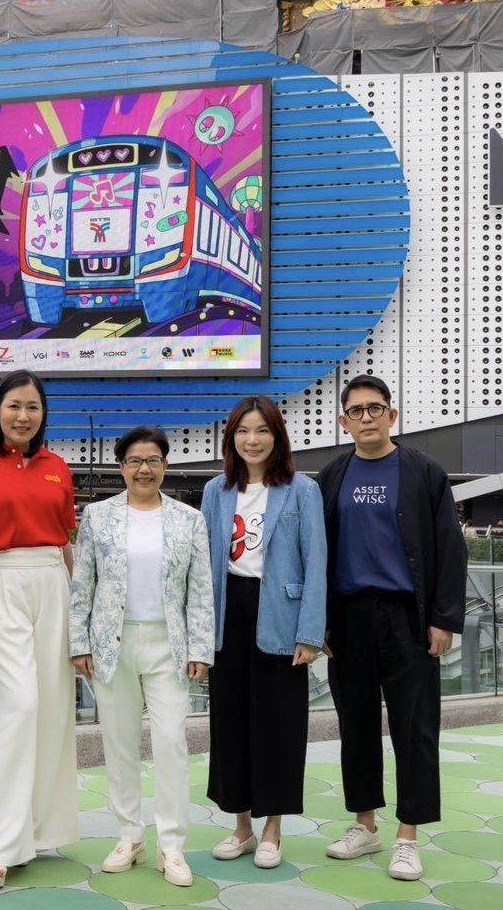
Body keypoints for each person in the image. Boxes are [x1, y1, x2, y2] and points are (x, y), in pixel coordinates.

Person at [315, 375, 466, 882]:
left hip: (408, 618)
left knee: (414, 728)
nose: (365, 418)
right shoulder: (331, 477)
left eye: (374, 409)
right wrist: (322, 622)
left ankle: (407, 835)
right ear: (343, 421)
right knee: (356, 726)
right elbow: (318, 557)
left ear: (391, 415)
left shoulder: (424, 472)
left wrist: (443, 619)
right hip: (349, 618)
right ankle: (365, 825)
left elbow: (450, 548)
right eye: (355, 411)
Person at [69, 427, 214, 887]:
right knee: (119, 743)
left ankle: (171, 845)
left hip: (168, 644)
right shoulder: (97, 516)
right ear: (122, 467)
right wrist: (80, 642)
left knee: (171, 741)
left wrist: (200, 648)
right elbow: (83, 585)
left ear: (166, 467)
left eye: (152, 460)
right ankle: (129, 835)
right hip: (112, 644)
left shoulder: (188, 519)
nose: (144, 469)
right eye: (134, 461)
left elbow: (201, 591)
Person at [0, 370, 79, 888]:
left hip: (52, 581)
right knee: (15, 706)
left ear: (42, 414)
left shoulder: (57, 466)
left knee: (52, 708)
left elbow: (66, 538)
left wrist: (79, 607)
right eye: (13, 406)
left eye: (32, 407)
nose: (23, 416)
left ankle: (36, 830)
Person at [201, 396, 327, 869]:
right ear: (231, 438)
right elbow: (205, 564)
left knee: (278, 725)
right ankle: (241, 827)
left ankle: (273, 829)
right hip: (227, 612)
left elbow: (317, 563)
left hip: (279, 611)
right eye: (242, 431)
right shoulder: (217, 490)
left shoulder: (301, 490)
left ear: (278, 436)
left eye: (262, 431)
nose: (252, 440)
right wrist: (199, 633)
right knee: (230, 723)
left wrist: (311, 633)